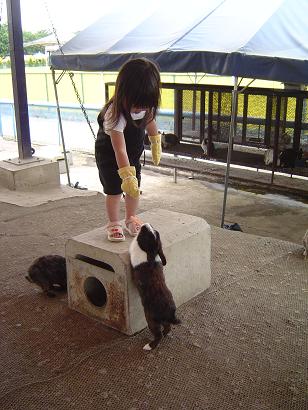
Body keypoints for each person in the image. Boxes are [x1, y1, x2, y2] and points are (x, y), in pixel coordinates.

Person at [95, 58, 162, 242]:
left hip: (132, 154)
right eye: (136, 104)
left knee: (134, 189)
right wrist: (126, 174)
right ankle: (114, 222)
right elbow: (119, 149)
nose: (139, 108)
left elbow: (149, 121)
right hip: (111, 155)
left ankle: (131, 217)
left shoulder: (144, 105)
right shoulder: (115, 113)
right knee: (115, 190)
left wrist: (155, 141)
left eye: (145, 104)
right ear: (123, 93)